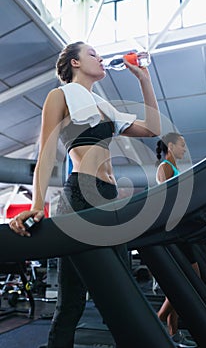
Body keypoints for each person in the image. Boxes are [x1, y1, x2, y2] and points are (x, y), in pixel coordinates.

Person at [9, 41, 161, 348]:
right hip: (80, 195)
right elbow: (47, 154)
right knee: (72, 297)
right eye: (93, 54)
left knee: (122, 293)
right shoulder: (61, 95)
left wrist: (144, 79)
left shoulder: (105, 107)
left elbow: (154, 128)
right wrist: (38, 204)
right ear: (75, 63)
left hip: (111, 197)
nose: (101, 58)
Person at [155, 132, 200, 348]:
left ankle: (173, 335)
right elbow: (166, 201)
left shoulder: (174, 168)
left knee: (177, 284)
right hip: (175, 231)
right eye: (182, 145)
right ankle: (158, 320)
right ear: (170, 146)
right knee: (190, 280)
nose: (185, 149)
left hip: (181, 228)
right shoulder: (165, 168)